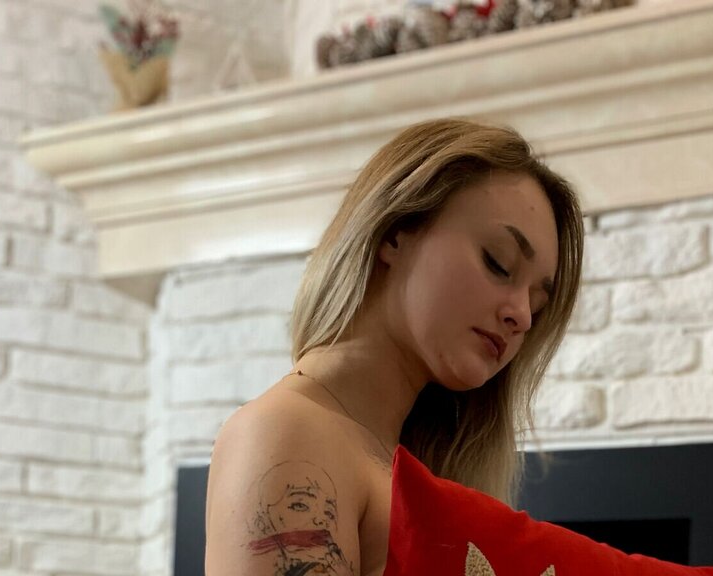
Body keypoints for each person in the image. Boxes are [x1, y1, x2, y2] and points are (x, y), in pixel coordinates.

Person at [204, 117, 585, 576]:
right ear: (394, 233)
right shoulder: (287, 431)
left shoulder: (398, 461)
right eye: (498, 262)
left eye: (537, 304)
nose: (521, 315)